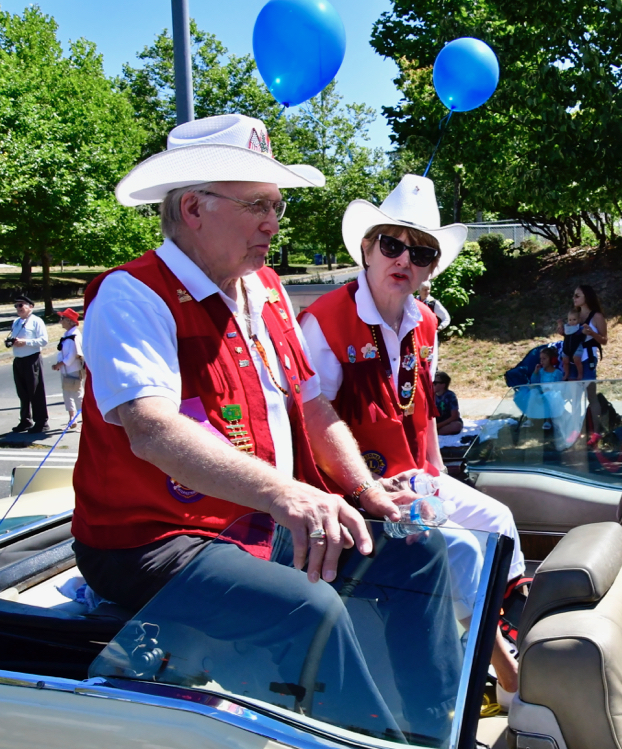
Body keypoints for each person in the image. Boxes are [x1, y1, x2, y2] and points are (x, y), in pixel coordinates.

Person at [74, 113, 405, 610]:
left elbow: (313, 409)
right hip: (154, 538)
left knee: (416, 560)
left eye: (276, 205)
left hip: (260, 521)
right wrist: (282, 494)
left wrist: (365, 488)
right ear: (192, 208)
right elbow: (151, 430)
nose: (273, 223)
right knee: (308, 608)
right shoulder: (133, 293)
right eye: (256, 205)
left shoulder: (268, 288)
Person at [300, 173, 526, 691]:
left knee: (499, 520)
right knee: (465, 552)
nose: (404, 259)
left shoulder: (424, 321)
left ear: (430, 269)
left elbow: (420, 408)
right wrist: (366, 490)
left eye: (420, 253)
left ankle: (507, 639)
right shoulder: (326, 321)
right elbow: (311, 422)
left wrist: (438, 476)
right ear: (366, 248)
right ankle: (497, 668)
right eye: (392, 244)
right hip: (348, 488)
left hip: (411, 474)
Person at [8, 294, 49, 433]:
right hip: (19, 360)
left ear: (30, 306)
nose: (18, 308)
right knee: (22, 393)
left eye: (21, 305)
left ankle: (41, 422)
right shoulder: (16, 322)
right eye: (16, 306)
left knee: (36, 392)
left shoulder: (37, 321)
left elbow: (44, 341)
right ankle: (25, 421)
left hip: (32, 359)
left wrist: (25, 342)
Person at [556, 284, 606, 380]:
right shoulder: (574, 315)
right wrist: (563, 332)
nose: (573, 298)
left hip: (588, 358)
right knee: (573, 393)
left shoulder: (597, 316)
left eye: (577, 296)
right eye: (574, 295)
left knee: (590, 391)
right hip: (572, 358)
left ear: (587, 297)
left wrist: (592, 333)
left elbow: (604, 340)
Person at [50, 307, 84, 429]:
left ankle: (84, 418)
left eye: (62, 318)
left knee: (77, 394)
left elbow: (73, 355)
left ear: (70, 321)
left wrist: (60, 364)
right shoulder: (67, 335)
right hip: (65, 369)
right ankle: (72, 417)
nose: (60, 321)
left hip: (73, 369)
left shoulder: (75, 335)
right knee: (67, 393)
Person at [432, 370, 463, 436]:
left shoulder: (450, 396)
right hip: (435, 421)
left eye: (435, 383)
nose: (432, 385)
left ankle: (436, 432)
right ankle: (435, 432)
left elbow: (454, 416)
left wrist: (438, 426)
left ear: (443, 385)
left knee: (457, 426)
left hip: (446, 422)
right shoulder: (430, 395)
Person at [559, 307, 585, 380]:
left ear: (579, 320)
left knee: (577, 360)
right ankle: (566, 374)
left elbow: (583, 332)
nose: (572, 322)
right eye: (570, 320)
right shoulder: (567, 327)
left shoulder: (579, 328)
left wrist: (585, 330)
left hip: (577, 347)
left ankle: (580, 374)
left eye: (574, 319)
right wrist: (560, 324)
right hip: (566, 347)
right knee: (565, 361)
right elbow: (562, 331)